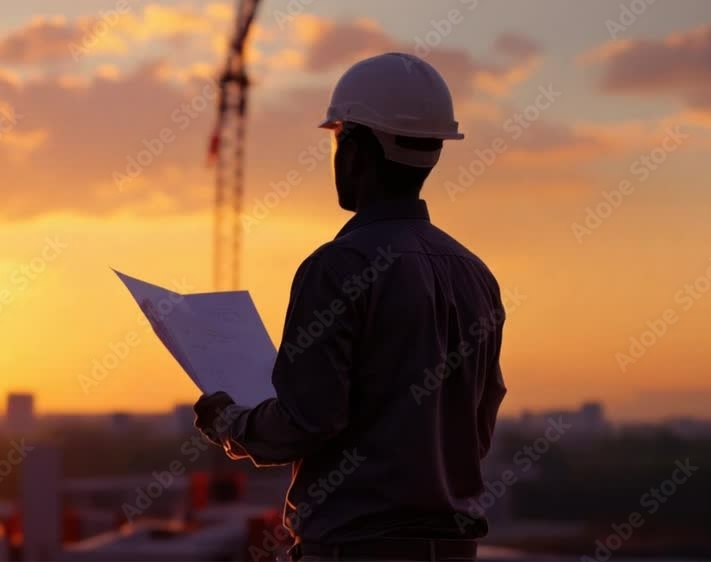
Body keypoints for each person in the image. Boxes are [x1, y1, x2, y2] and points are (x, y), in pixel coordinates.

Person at [193, 53, 508, 562]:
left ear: (356, 149)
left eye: (337, 139)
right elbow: (478, 427)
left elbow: (308, 420)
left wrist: (231, 424)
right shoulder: (475, 276)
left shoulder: (338, 267)